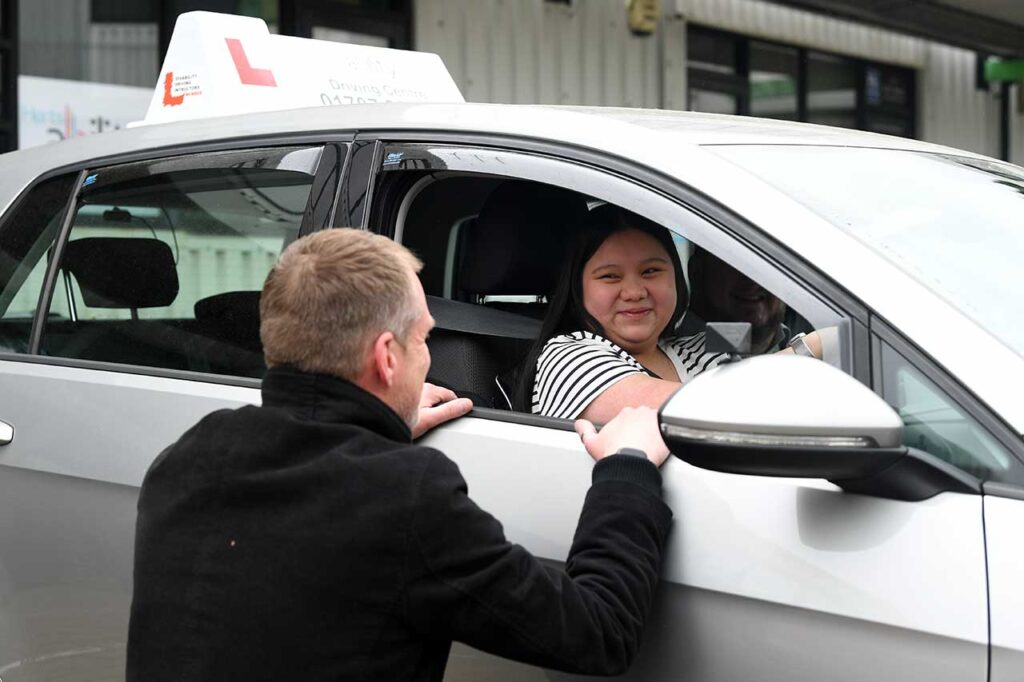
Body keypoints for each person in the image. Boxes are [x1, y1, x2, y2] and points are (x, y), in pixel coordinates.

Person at [127, 228, 674, 682]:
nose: (428, 356)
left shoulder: (188, 458)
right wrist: (626, 472)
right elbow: (598, 635)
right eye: (424, 339)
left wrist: (374, 426)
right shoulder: (404, 498)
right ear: (387, 358)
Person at [524, 205, 824, 423]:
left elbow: (765, 358)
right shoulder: (566, 355)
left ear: (678, 278)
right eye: (610, 276)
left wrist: (827, 341)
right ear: (578, 288)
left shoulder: (695, 341)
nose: (634, 291)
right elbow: (713, 407)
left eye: (651, 271)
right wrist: (811, 348)